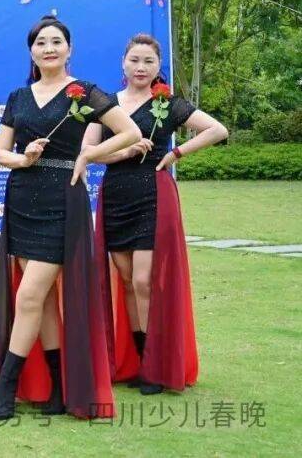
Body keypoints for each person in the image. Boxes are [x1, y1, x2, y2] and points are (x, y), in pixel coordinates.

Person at [0, 17, 139, 420]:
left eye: (56, 41)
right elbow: (0, 153)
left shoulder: (84, 92)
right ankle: (55, 388)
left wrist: (88, 155)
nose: (49, 48)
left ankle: (6, 385)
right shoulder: (18, 96)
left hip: (61, 201)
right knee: (44, 300)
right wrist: (24, 158)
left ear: (69, 49)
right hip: (22, 199)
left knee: (28, 296)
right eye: (41, 42)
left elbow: (130, 132)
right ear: (31, 51)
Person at [84, 33, 227, 394]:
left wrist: (176, 154)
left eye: (148, 61)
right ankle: (138, 359)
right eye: (134, 60)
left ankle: (154, 365)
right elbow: (88, 151)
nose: (141, 67)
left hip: (153, 194)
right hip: (116, 195)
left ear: (159, 66)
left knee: (144, 280)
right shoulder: (106, 104)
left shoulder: (168, 103)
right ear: (123, 62)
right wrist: (125, 152)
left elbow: (217, 129)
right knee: (127, 281)